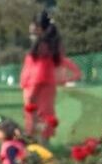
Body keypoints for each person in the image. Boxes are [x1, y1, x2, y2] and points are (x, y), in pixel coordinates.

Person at [20, 11, 81, 142]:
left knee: (37, 121)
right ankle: (41, 152)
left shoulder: (42, 46)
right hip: (45, 88)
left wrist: (31, 96)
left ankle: (38, 155)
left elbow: (39, 71)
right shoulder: (47, 45)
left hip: (37, 89)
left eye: (33, 24)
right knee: (44, 119)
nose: (30, 27)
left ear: (38, 27)